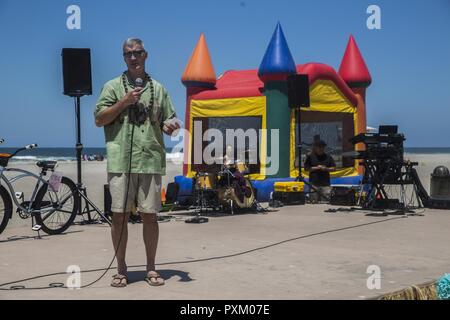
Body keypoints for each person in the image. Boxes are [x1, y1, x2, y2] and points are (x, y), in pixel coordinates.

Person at [94, 38, 180, 288]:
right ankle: (121, 268)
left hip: (150, 158)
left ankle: (151, 268)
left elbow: (167, 123)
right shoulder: (111, 87)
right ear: (124, 58)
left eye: (137, 53)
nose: (133, 57)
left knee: (150, 216)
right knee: (119, 216)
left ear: (146, 55)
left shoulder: (160, 89)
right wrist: (123, 102)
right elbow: (99, 119)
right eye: (128, 54)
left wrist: (171, 128)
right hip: (121, 160)